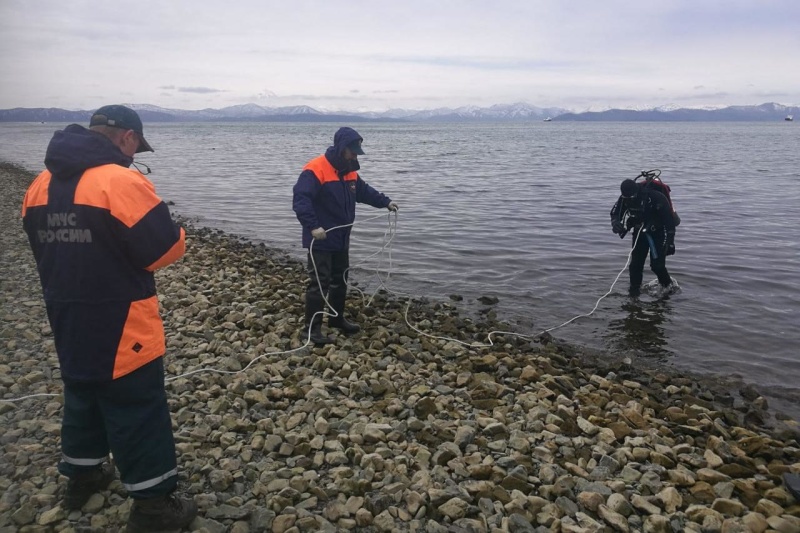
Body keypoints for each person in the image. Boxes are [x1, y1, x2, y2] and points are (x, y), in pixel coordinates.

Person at [21, 105, 197, 532]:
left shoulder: (39, 184)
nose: (135, 155)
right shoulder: (120, 180)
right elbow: (162, 251)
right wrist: (180, 233)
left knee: (82, 393)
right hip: (121, 317)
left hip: (65, 311)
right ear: (127, 138)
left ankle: (82, 477)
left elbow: (41, 243)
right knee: (137, 406)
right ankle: (154, 506)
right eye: (136, 147)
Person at [293, 127, 398, 344]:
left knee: (340, 279)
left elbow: (363, 191)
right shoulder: (315, 169)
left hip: (341, 237)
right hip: (320, 237)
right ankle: (310, 330)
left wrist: (385, 202)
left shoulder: (350, 171)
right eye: (352, 152)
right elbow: (301, 200)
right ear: (341, 148)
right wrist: (313, 227)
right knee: (319, 283)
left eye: (357, 152)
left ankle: (336, 319)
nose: (354, 156)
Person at [610, 178, 676, 297]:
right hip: (639, 233)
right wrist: (616, 223)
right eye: (626, 198)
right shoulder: (624, 198)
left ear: (636, 192)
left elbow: (669, 221)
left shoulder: (655, 197)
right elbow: (615, 213)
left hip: (657, 234)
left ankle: (669, 289)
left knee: (657, 266)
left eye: (631, 197)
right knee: (635, 265)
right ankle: (634, 294)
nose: (629, 200)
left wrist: (670, 242)